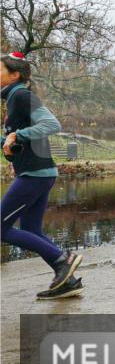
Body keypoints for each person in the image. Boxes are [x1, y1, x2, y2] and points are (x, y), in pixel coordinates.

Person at [1, 52, 83, 299]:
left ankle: (62, 261)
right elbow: (15, 139)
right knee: (31, 228)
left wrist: (19, 136)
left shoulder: (22, 95)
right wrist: (9, 141)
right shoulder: (13, 99)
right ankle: (67, 281)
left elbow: (52, 124)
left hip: (35, 174)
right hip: (38, 172)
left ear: (14, 75)